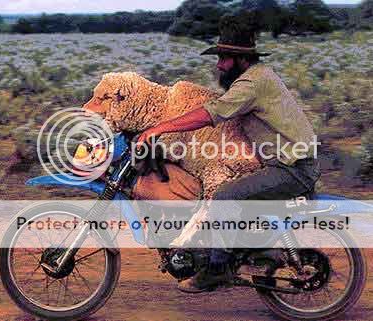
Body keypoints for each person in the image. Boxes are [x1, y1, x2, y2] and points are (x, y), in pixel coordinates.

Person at [137, 15, 321, 293]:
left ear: (242, 59)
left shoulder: (252, 83)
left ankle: (217, 269)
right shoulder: (256, 77)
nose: (219, 65)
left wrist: (159, 128)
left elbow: (214, 112)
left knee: (224, 197)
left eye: (224, 58)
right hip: (285, 163)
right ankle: (236, 252)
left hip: (292, 169)